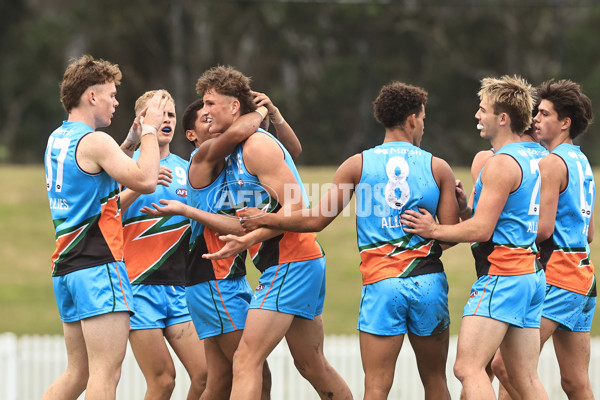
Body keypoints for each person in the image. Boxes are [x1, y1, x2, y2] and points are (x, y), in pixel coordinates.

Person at [239, 81, 458, 399]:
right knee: (436, 381)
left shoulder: (356, 165)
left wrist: (264, 217)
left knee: (377, 386)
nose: (422, 125)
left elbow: (315, 220)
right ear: (412, 118)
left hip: (383, 287)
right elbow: (451, 235)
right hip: (428, 284)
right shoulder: (439, 167)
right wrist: (435, 227)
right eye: (422, 118)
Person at [196, 65, 353, 400]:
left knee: (245, 358)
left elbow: (299, 207)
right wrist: (249, 237)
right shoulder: (238, 149)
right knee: (312, 365)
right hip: (295, 261)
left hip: (291, 262)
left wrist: (253, 230)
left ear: (234, 107)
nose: (204, 111)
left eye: (210, 103)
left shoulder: (255, 146)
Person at [400, 75, 548, 400]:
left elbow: (481, 231)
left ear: (503, 118)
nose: (477, 116)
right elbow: (494, 222)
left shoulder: (500, 164)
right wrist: (467, 209)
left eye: (483, 110)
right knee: (523, 377)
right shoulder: (537, 157)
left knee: (468, 368)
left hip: (504, 275)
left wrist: (433, 229)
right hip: (531, 275)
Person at [43, 55, 166, 400]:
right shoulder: (96, 141)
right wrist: (151, 131)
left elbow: (95, 192)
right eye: (111, 95)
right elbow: (145, 180)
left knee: (77, 373)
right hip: (98, 266)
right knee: (105, 373)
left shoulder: (58, 138)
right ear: (91, 96)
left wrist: (126, 144)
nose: (116, 103)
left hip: (66, 268)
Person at [494, 79, 596, 400]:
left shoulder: (551, 163)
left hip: (559, 277)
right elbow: (589, 233)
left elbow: (543, 230)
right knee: (575, 383)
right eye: (536, 112)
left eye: (544, 114)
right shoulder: (583, 162)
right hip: (583, 277)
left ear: (565, 123)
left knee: (506, 366)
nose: (535, 119)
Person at [119, 90, 207, 400]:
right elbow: (104, 213)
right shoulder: (122, 163)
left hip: (180, 288)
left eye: (171, 114)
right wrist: (144, 181)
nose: (166, 119)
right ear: (142, 121)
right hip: (139, 287)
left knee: (205, 376)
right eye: (160, 113)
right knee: (163, 381)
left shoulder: (188, 167)